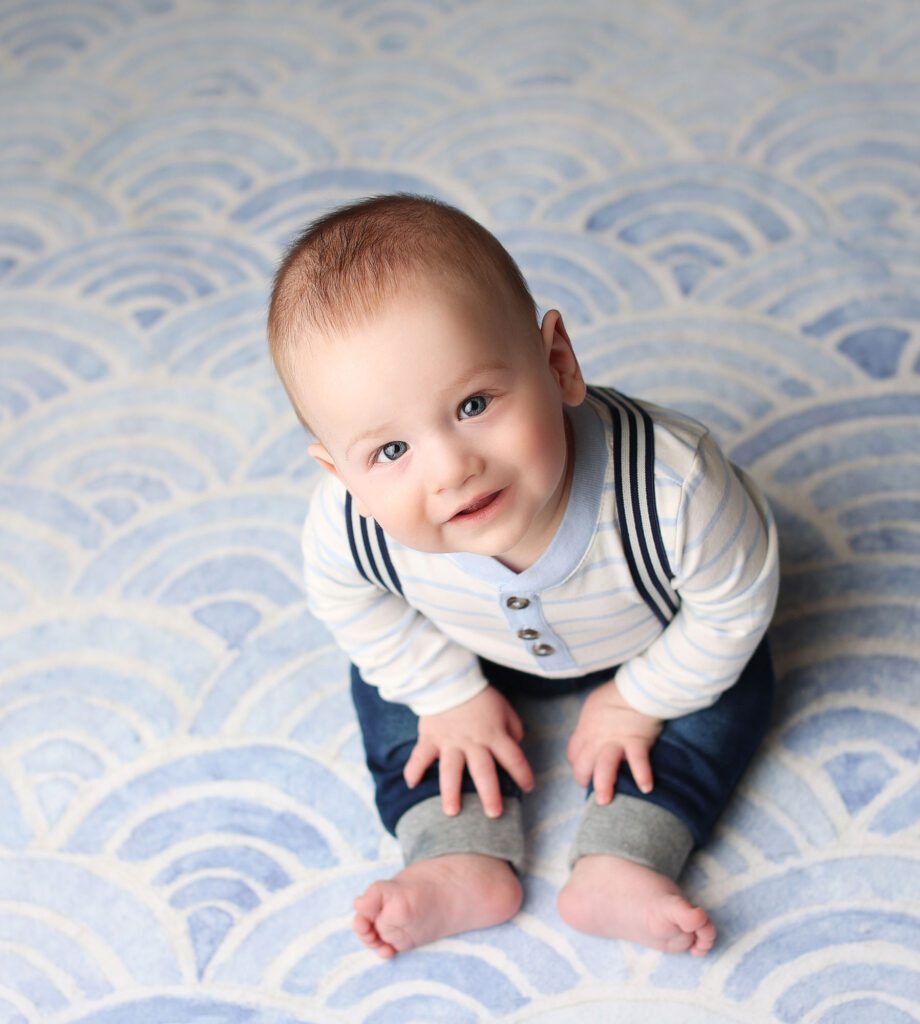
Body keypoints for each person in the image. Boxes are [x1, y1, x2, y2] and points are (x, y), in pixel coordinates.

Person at [267, 194, 779, 959]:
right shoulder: (348, 523)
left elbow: (735, 605)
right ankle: (453, 855)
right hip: (466, 650)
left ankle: (628, 856)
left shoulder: (672, 488)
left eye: (473, 403)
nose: (451, 468)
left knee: (733, 686)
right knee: (386, 689)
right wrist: (446, 695)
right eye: (391, 452)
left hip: (651, 639)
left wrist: (643, 698)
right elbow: (351, 604)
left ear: (558, 363)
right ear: (340, 471)